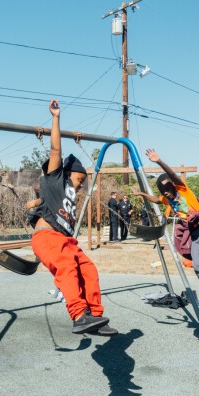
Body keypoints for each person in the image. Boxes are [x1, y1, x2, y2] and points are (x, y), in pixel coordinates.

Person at [28, 99, 116, 336]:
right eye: (80, 180)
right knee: (67, 268)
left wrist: (35, 203)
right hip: (47, 238)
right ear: (69, 174)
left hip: (66, 241)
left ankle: (95, 317)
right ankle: (78, 315)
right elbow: (56, 150)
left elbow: (46, 203)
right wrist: (56, 117)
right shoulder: (56, 177)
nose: (80, 186)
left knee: (89, 270)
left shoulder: (66, 193)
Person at [134, 148, 199, 314]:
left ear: (173, 186)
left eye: (167, 189)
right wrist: (141, 194)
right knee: (197, 265)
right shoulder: (166, 200)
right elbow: (155, 199)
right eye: (163, 192)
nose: (165, 193)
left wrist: (159, 161)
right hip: (195, 231)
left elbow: (173, 175)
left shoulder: (182, 189)